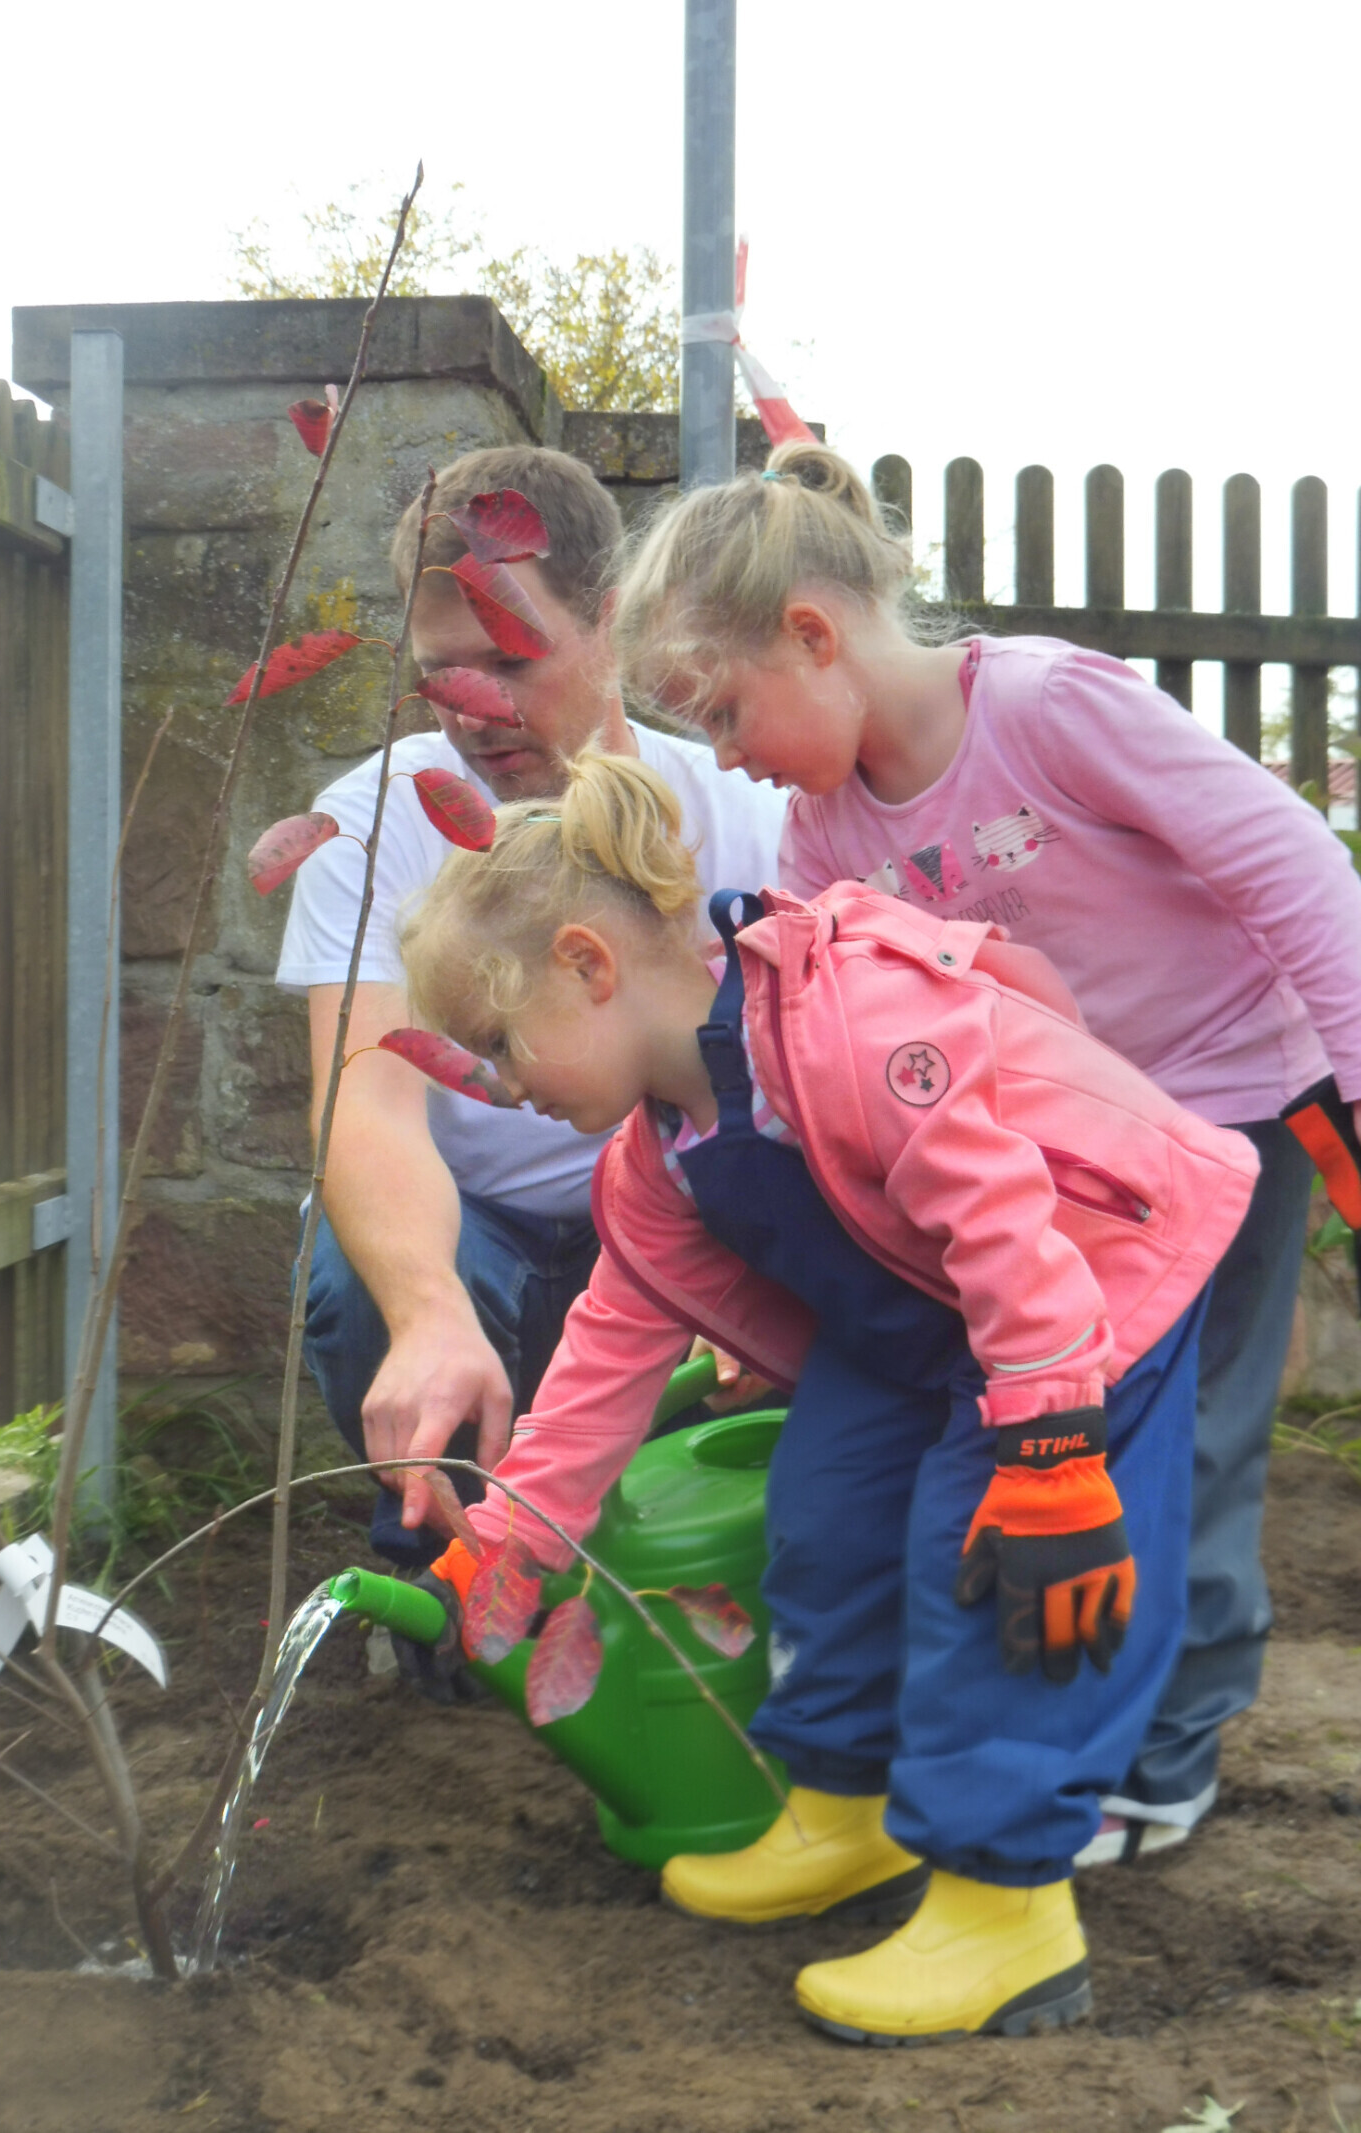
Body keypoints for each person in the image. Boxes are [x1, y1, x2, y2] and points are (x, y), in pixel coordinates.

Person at [393, 748, 1257, 2044]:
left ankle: (1007, 1909)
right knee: (827, 1510)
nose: (503, 1087)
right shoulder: (655, 1167)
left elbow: (1008, 1224)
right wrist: (512, 1538)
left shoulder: (847, 1016)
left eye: (501, 1044)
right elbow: (604, 1361)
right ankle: (846, 1807)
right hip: (930, 1312)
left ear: (588, 964)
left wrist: (1055, 1454)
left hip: (1089, 1274)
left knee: (995, 1564)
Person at [607, 438, 1361, 1866]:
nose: (724, 758)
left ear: (814, 637)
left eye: (722, 710)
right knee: (1065, 1425)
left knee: (1191, 1438)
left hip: (1222, 1114)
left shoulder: (1044, 709)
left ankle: (1169, 1754)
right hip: (1049, 1162)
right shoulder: (822, 841)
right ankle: (1027, 1736)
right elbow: (823, 1062)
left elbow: (1296, 868)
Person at [276, 445, 785, 1570]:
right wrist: (424, 1314)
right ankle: (437, 1559)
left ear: (609, 619)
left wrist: (764, 1267)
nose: (474, 709)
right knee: (366, 1280)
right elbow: (364, 1108)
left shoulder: (742, 809)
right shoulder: (367, 826)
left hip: (684, 1219)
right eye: (441, 672)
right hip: (481, 1234)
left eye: (509, 661)